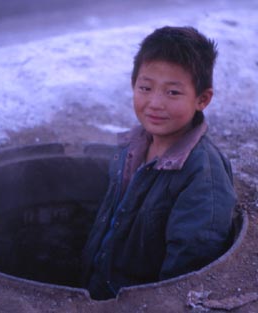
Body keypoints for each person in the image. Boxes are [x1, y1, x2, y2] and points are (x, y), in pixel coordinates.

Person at [81, 26, 236, 300]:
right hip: (98, 286)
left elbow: (185, 275)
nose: (155, 103)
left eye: (173, 93)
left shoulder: (203, 177)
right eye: (145, 88)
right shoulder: (131, 148)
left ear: (202, 99)